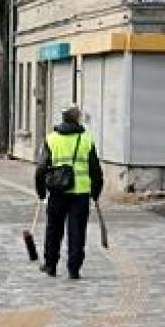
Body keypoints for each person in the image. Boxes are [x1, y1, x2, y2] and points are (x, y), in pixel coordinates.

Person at [34, 105, 103, 280]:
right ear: (78, 118)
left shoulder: (51, 139)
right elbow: (95, 169)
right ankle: (74, 268)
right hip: (80, 193)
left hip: (57, 192)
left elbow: (41, 168)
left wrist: (41, 191)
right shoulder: (87, 139)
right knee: (77, 231)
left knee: (54, 230)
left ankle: (50, 265)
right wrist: (96, 192)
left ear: (63, 118)